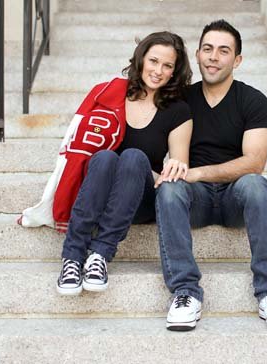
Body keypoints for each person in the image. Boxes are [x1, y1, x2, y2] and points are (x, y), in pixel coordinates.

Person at [155, 20, 267, 331]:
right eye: (208, 49)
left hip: (236, 198)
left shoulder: (253, 100)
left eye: (223, 50)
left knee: (256, 184)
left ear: (237, 60)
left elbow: (254, 162)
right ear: (198, 54)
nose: (214, 57)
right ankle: (185, 292)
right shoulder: (181, 100)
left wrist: (199, 172)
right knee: (168, 189)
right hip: (197, 199)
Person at [56, 31, 193, 295]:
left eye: (167, 66)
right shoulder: (110, 96)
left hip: (140, 198)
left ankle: (99, 255)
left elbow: (176, 170)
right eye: (153, 61)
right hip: (98, 191)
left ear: (175, 72)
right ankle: (72, 257)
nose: (158, 71)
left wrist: (154, 171)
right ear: (141, 59)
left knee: (133, 157)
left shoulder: (178, 111)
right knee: (106, 157)